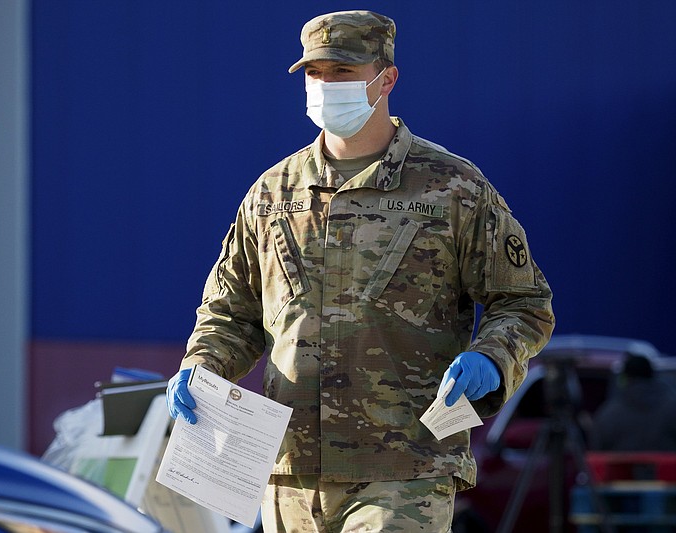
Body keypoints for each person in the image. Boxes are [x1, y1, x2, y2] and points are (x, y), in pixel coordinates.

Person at [166, 10, 554, 532]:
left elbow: (524, 303)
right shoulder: (272, 193)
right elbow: (231, 311)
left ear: (386, 77)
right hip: (291, 472)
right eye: (315, 73)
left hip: (404, 469)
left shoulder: (453, 188)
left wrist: (491, 356)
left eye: (343, 72)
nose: (326, 86)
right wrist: (203, 365)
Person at [590, 353, 676, 452]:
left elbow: (597, 450)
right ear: (652, 376)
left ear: (625, 379)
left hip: (620, 467)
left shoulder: (608, 414)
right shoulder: (672, 409)